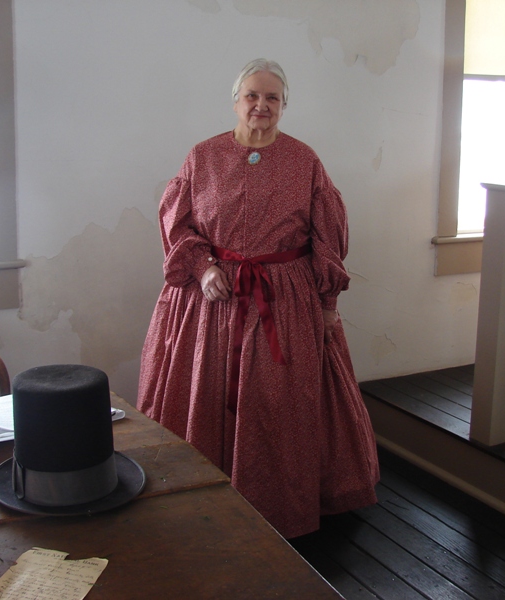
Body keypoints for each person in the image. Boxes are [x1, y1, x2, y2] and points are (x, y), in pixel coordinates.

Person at [137, 58, 379, 538]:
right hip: (213, 302)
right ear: (236, 101)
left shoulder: (304, 160)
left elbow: (327, 236)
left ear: (284, 105)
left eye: (272, 97)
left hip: (285, 301)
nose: (261, 105)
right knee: (205, 395)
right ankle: (203, 497)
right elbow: (177, 223)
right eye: (252, 95)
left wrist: (328, 307)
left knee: (279, 403)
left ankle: (278, 503)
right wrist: (203, 268)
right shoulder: (203, 157)